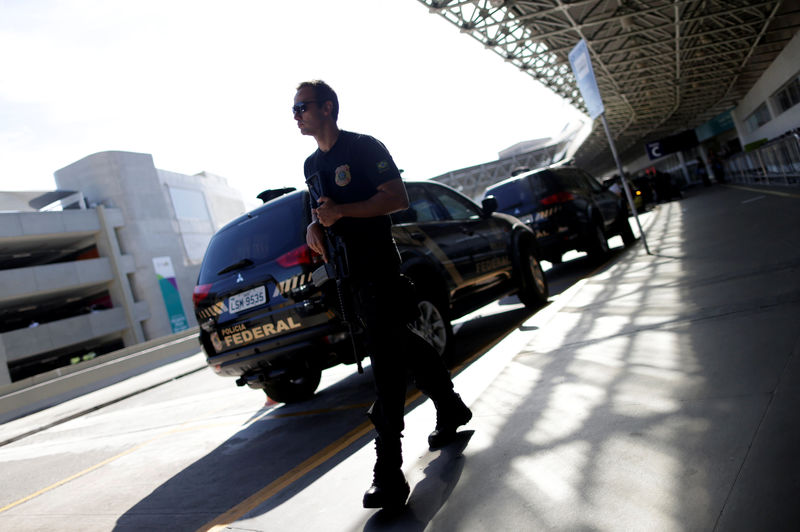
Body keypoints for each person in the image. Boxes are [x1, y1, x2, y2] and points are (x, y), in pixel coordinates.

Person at [294, 80, 472, 510]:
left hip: (380, 270)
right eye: (293, 109)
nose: (296, 114)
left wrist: (343, 212)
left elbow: (397, 197)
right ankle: (450, 408)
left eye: (302, 106)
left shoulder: (363, 147)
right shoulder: (310, 165)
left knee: (387, 367)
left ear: (328, 107)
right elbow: (320, 211)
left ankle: (388, 472)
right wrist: (314, 227)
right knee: (402, 344)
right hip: (347, 278)